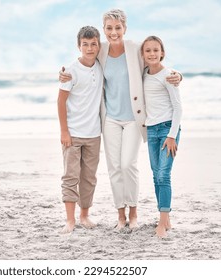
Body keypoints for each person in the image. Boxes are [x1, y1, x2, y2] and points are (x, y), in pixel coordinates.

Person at [60, 9, 182, 230]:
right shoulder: (101, 50)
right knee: (114, 167)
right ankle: (120, 216)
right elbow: (82, 60)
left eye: (118, 27)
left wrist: (178, 75)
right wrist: (64, 73)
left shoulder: (135, 49)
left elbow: (157, 65)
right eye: (109, 28)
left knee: (128, 164)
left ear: (125, 28)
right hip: (110, 119)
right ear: (104, 30)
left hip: (134, 119)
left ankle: (133, 213)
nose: (113, 32)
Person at [57, 26, 103, 234]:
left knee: (89, 177)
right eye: (85, 44)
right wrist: (64, 131)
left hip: (94, 133)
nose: (90, 48)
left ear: (99, 45)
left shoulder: (102, 66)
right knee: (71, 176)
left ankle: (84, 215)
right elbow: (61, 101)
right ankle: (70, 220)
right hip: (73, 134)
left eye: (94, 44)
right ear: (79, 46)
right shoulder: (71, 72)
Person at [141, 35, 182, 238]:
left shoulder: (168, 75)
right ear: (143, 54)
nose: (152, 53)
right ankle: (165, 218)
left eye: (156, 50)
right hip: (151, 130)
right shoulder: (143, 74)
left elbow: (178, 107)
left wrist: (172, 135)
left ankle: (162, 221)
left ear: (162, 52)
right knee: (156, 176)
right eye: (148, 50)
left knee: (164, 175)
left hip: (167, 131)